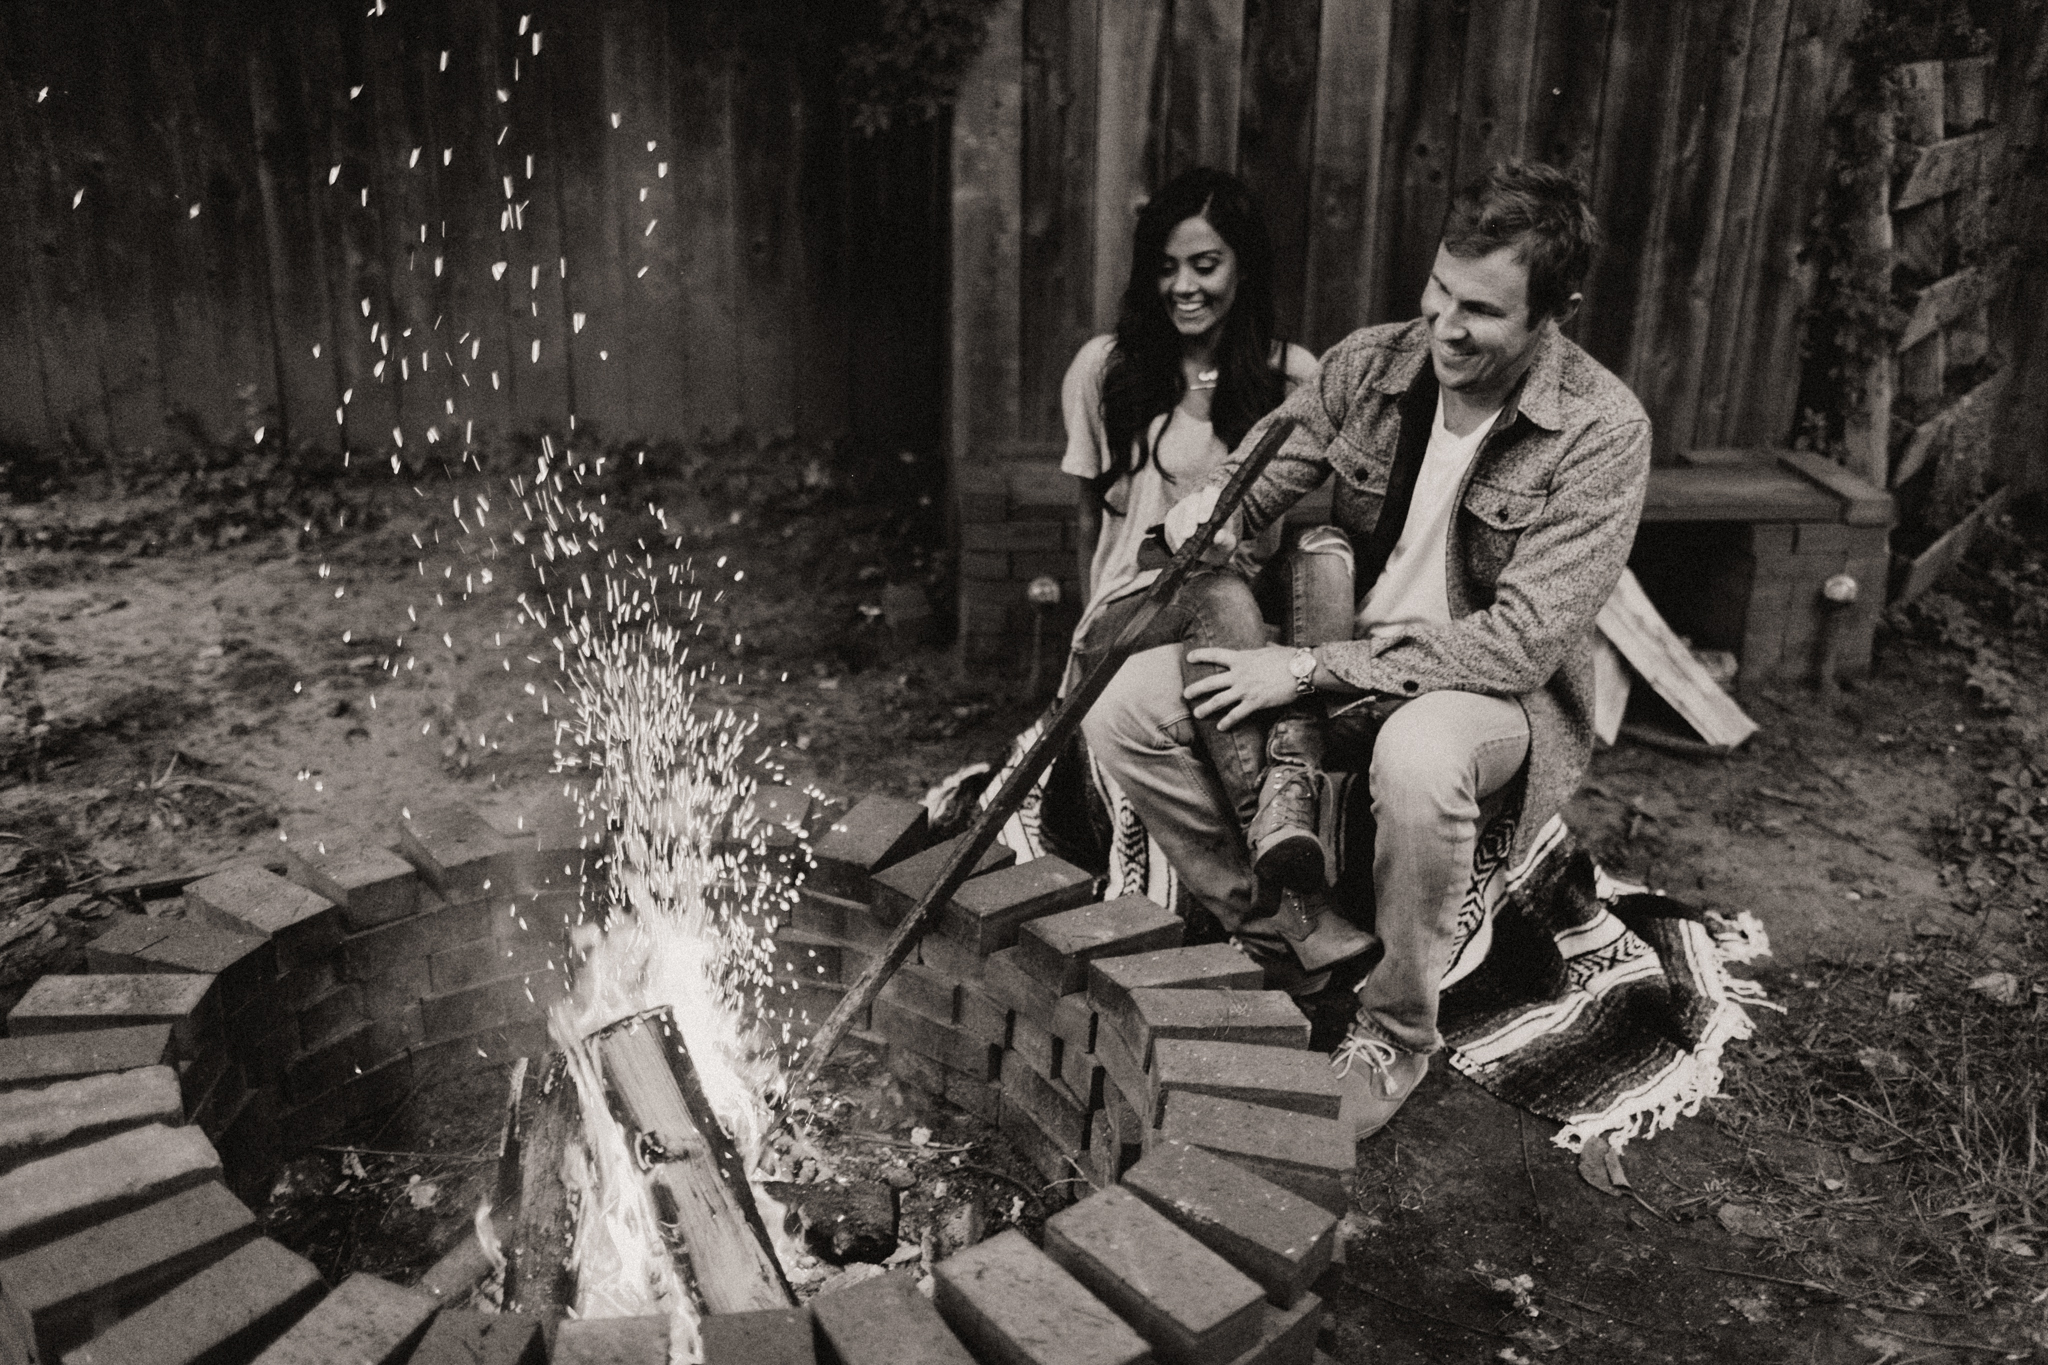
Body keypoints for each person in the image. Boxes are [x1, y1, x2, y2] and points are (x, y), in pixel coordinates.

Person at [1081, 160, 1652, 1140]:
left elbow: (1512, 645)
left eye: (1480, 312)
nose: (1444, 327)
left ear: (1553, 312)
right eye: (1437, 291)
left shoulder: (1600, 431)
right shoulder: (1368, 366)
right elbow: (1251, 471)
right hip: (1330, 655)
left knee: (1417, 756)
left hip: (1478, 689)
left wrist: (1302, 671)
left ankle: (1392, 1026)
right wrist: (1203, 523)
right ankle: (1286, 936)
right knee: (1122, 712)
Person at [1059, 167, 1319, 867]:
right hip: (1127, 613)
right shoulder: (1103, 369)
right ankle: (1267, 816)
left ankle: (1266, 888)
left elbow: (1287, 536)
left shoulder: (1292, 379)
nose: (1184, 287)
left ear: (1243, 267)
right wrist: (1090, 657)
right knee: (1212, 581)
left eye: (1205, 266)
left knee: (1226, 590)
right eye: (1167, 268)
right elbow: (1091, 521)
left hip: (1232, 627)